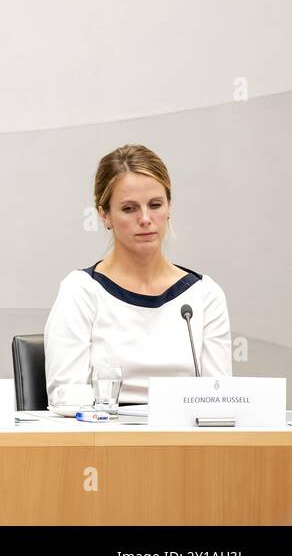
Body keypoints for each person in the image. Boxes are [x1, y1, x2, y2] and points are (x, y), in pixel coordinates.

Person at [45, 144, 231, 408]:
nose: (145, 219)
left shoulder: (204, 295)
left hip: (185, 443)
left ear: (169, 207)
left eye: (155, 205)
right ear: (104, 215)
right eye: (129, 208)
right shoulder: (81, 291)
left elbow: (220, 398)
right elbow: (65, 396)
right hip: (106, 441)